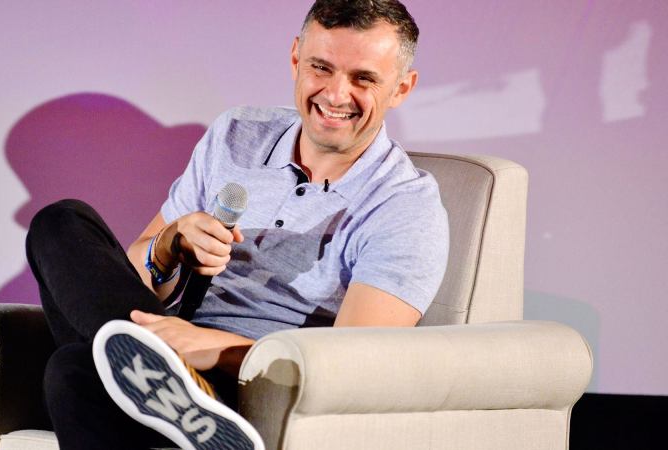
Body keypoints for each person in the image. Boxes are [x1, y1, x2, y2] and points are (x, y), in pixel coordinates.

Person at [25, 1, 448, 449]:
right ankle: (155, 368)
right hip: (170, 351)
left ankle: (166, 379)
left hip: (247, 385)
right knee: (60, 221)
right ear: (295, 59)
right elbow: (130, 283)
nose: (336, 94)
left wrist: (214, 347)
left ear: (401, 88)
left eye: (363, 78)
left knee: (72, 371)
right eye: (321, 68)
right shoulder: (236, 133)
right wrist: (169, 245)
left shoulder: (405, 205)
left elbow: (350, 370)